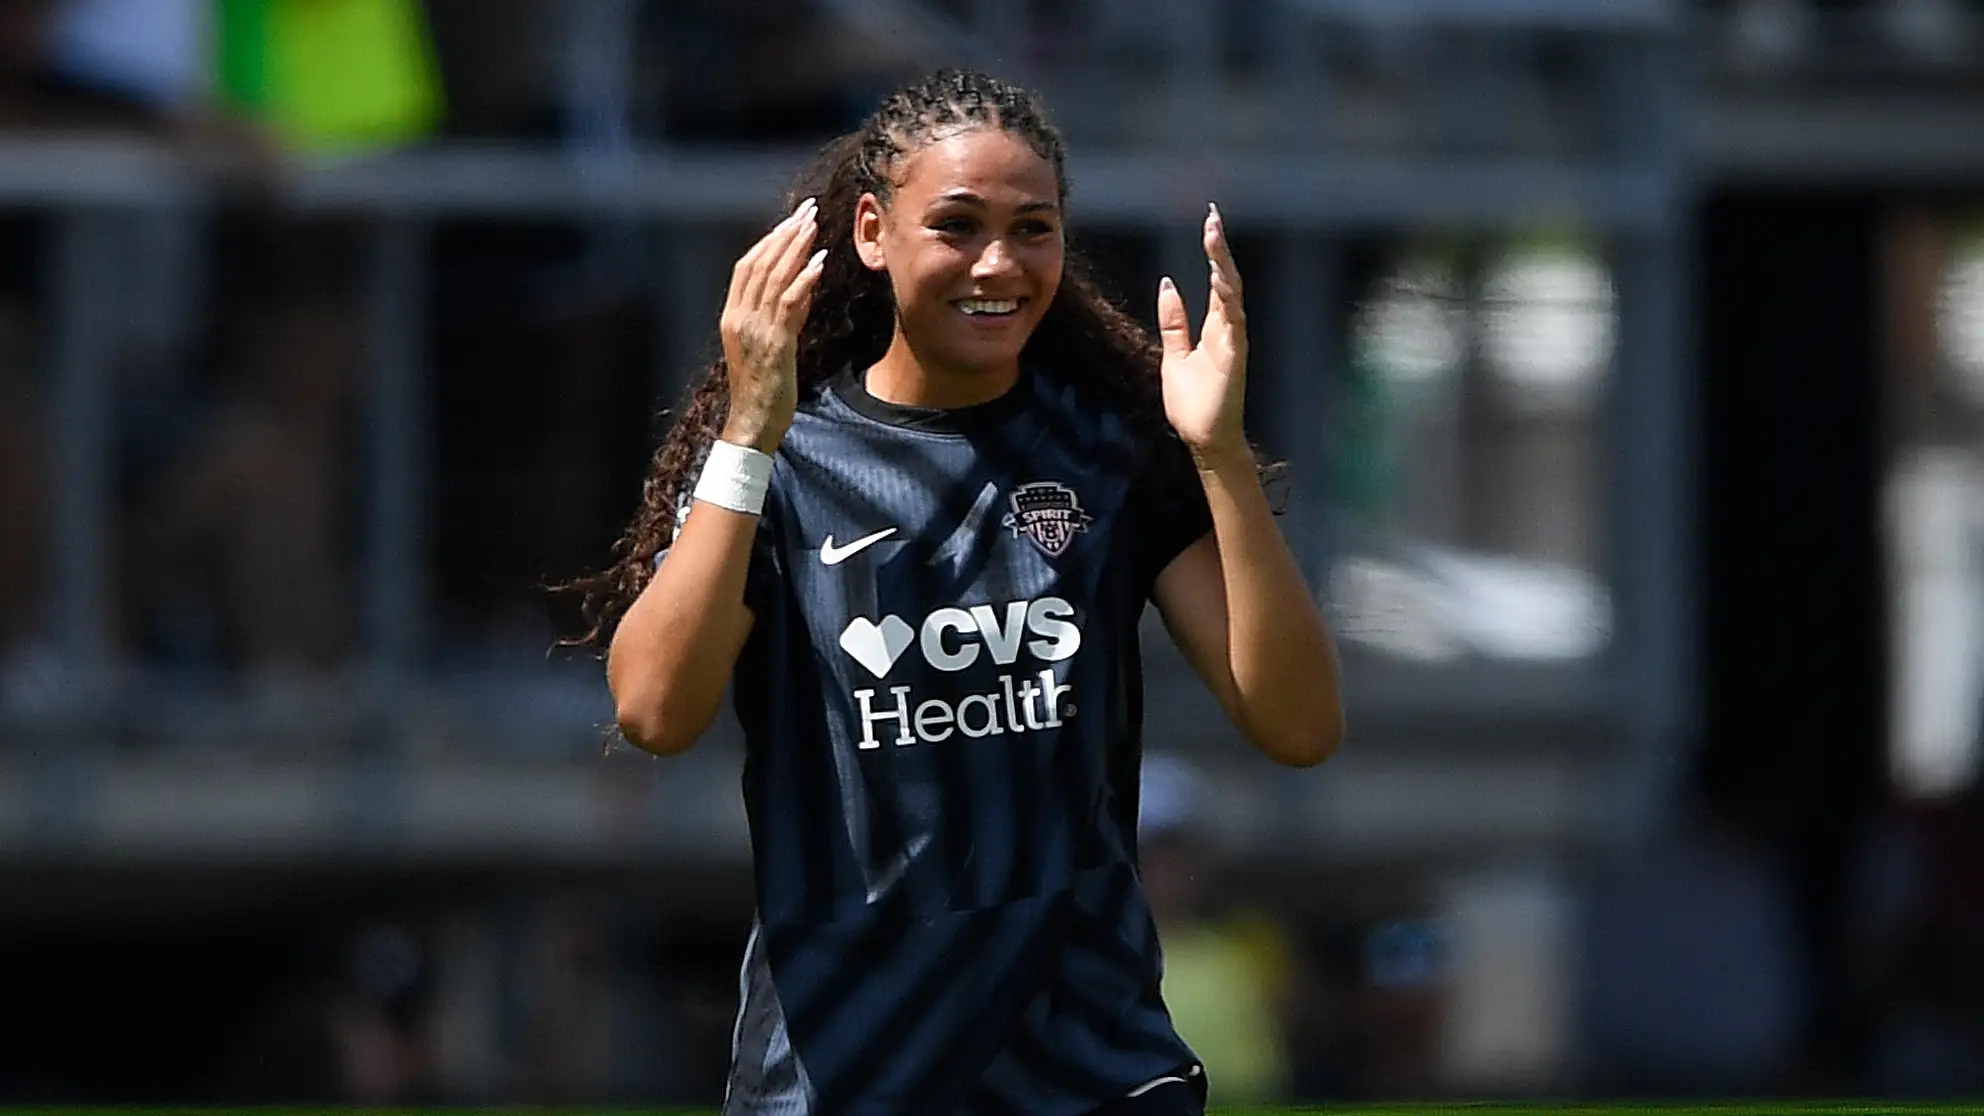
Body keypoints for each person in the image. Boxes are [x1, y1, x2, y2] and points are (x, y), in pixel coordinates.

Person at [581, 68, 1343, 1116]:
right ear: (870, 230)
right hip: (843, 1077)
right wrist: (750, 429)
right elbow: (654, 711)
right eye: (956, 225)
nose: (999, 263)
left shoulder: (1108, 450)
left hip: (1092, 1073)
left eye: (1033, 228)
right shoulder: (787, 466)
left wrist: (1215, 456)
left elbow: (1298, 722)